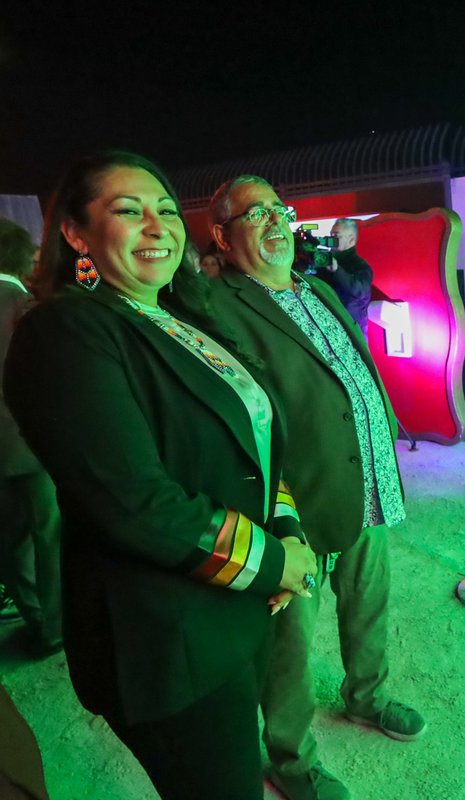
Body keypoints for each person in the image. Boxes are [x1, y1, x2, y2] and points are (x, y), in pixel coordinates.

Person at [3, 151, 319, 800]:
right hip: (167, 643)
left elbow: (254, 448)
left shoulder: (187, 319)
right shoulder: (64, 331)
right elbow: (136, 504)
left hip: (235, 610)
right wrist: (272, 562)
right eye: (128, 210)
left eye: (168, 209)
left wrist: (287, 528)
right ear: (74, 232)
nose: (158, 225)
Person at [208, 176, 423, 800]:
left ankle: (367, 696)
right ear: (222, 235)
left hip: (369, 483)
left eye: (281, 210)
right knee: (290, 643)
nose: (275, 222)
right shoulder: (215, 305)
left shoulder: (317, 288)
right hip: (294, 505)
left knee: (369, 602)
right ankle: (290, 759)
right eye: (255, 214)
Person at [0, 217, 62, 657]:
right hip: (38, 447)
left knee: (9, 541)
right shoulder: (31, 308)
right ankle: (55, 629)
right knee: (51, 538)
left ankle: (34, 613)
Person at [314, 218, 372, 333]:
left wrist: (336, 270)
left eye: (336, 236)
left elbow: (359, 290)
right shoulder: (324, 261)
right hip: (326, 327)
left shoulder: (360, 266)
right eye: (331, 235)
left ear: (351, 240)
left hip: (350, 332)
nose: (331, 239)